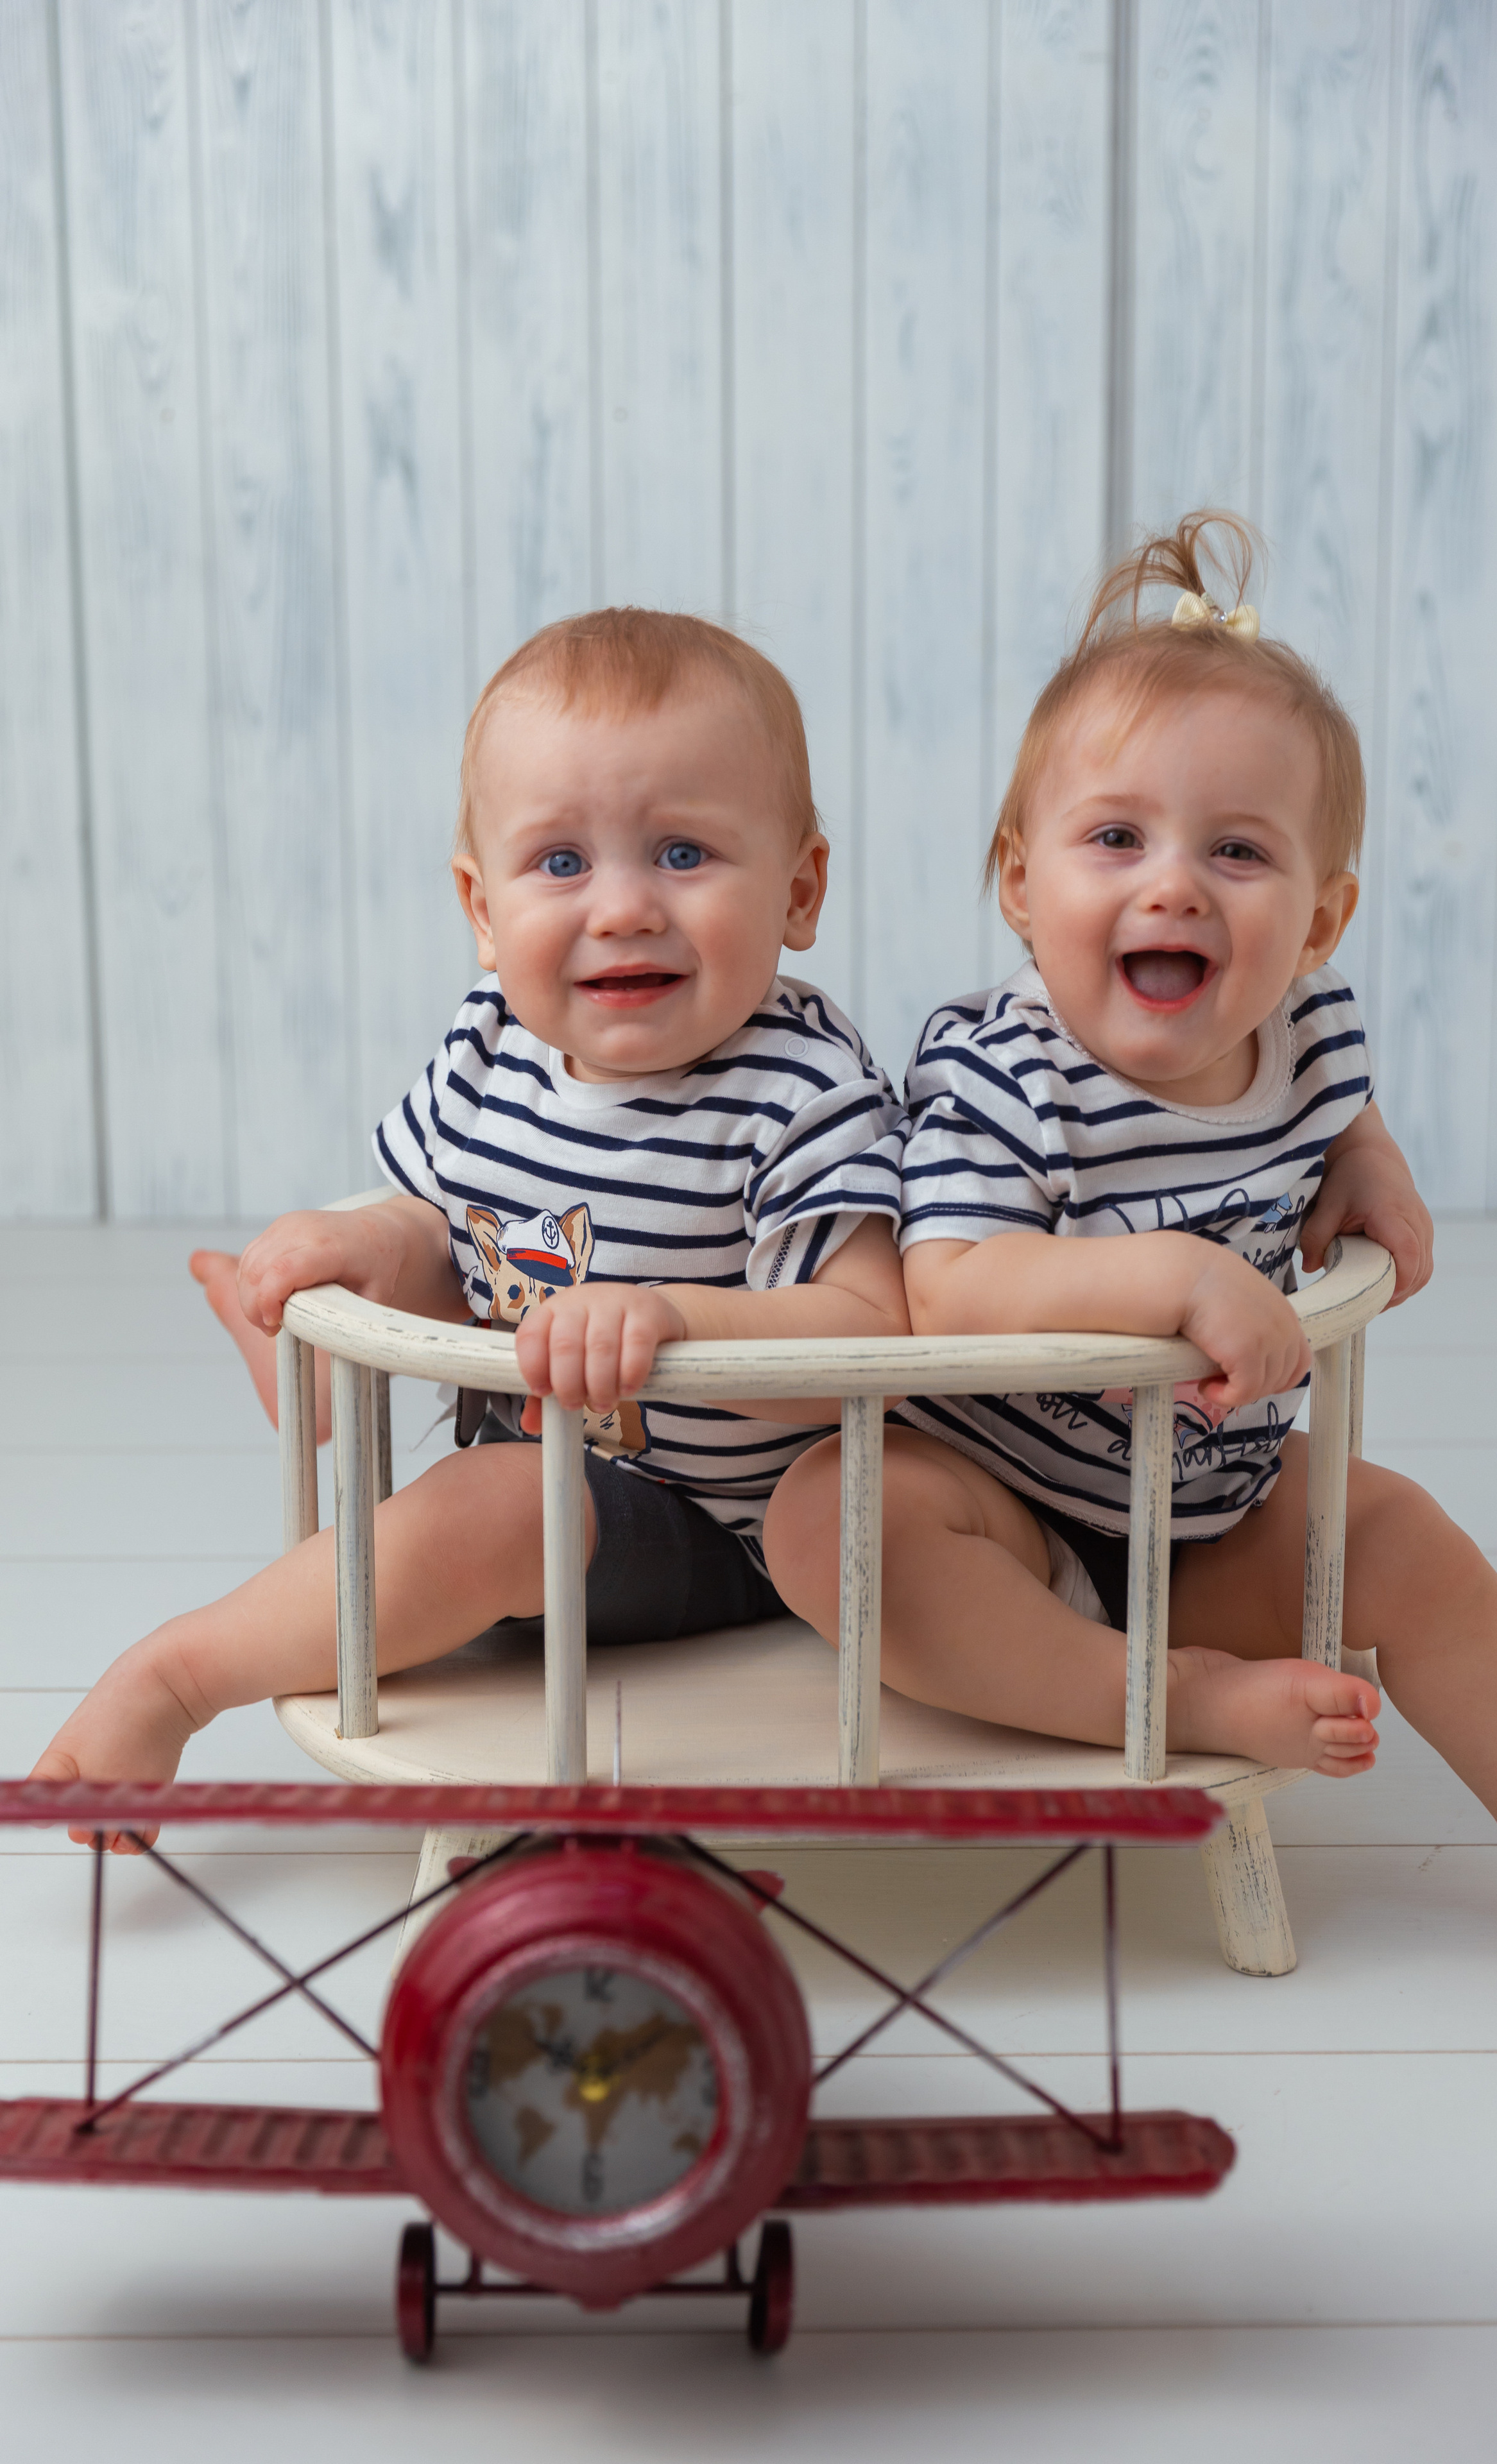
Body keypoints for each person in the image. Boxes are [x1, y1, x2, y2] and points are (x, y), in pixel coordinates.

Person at [762, 513, 1497, 1978]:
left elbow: (1346, 1113)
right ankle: (1159, 1696)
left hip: (1210, 1516)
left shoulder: (1305, 1035)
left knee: (1402, 1540)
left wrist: (1373, 1168)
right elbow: (949, 1283)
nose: (1170, 884)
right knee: (831, 1521)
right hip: (1011, 1512)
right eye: (1114, 838)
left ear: (1317, 922)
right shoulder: (1004, 1073)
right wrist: (1177, 1275)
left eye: (1236, 852)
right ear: (1020, 885)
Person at [34, 610, 909, 1837]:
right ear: (482, 909)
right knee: (397, 1354)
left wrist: (671, 1319)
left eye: (682, 854)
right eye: (561, 865)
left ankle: (183, 1673)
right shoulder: (488, 1048)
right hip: (523, 1462)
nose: (621, 909)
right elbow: (438, 1236)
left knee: (503, 1506)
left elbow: (871, 1336)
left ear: (801, 888)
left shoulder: (801, 1094)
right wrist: (363, 1252)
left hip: (722, 1529)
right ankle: (290, 1338)